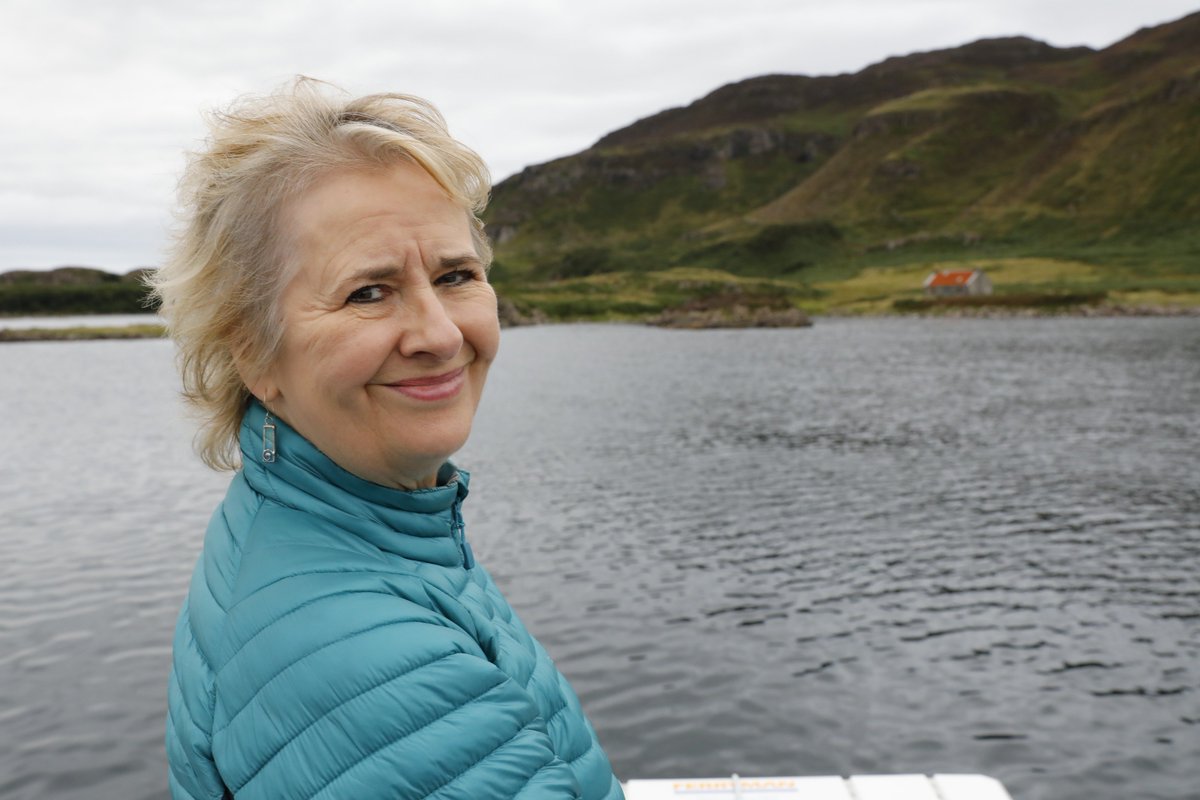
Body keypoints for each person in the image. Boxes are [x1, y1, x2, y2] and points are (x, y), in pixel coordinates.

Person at [154, 78, 623, 800]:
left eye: (456, 275)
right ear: (253, 353)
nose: (441, 335)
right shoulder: (360, 654)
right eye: (368, 292)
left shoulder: (336, 522)